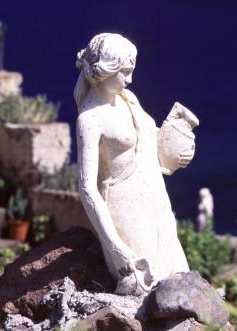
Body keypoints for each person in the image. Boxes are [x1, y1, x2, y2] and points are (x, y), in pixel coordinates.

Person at [74, 33, 193, 295]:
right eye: (125, 71)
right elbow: (87, 189)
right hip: (127, 212)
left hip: (157, 203)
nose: (130, 79)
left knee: (182, 284)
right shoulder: (90, 120)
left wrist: (174, 148)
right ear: (105, 69)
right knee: (147, 292)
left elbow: (148, 145)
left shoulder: (130, 100)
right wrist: (116, 247)